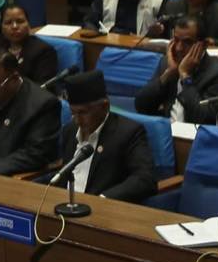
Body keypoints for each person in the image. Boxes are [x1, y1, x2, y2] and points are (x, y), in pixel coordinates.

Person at [44, 70, 155, 202]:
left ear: (104, 106)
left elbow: (145, 179)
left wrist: (103, 199)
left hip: (102, 210)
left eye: (83, 113)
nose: (77, 120)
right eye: (73, 113)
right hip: (65, 204)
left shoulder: (129, 132)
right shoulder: (70, 130)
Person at [133, 14, 218, 122]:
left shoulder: (217, 72)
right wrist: (168, 74)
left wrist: (185, 76)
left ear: (204, 45)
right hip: (166, 130)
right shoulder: (167, 63)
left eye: (187, 42)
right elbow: (141, 105)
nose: (179, 48)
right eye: (176, 40)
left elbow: (204, 117)